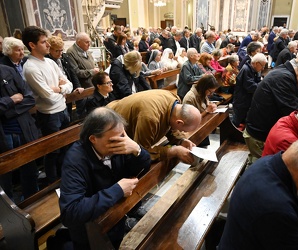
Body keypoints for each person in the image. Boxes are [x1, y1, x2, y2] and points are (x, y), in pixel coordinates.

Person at [59, 107, 151, 249]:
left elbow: (144, 167)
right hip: (90, 232)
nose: (121, 142)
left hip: (115, 216)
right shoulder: (75, 160)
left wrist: (137, 150)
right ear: (93, 139)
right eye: (114, 140)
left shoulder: (118, 146)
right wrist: (117, 190)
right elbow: (71, 212)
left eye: (123, 136)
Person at [244, 55, 298, 163]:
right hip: (259, 136)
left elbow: (297, 103)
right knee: (260, 167)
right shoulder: (283, 78)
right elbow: (294, 113)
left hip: (262, 132)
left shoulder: (287, 73)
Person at [22, 26, 73, 183]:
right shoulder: (30, 68)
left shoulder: (50, 62)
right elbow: (48, 97)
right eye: (44, 42)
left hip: (63, 109)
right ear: (32, 45)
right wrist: (60, 89)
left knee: (68, 146)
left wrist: (59, 88)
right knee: (53, 151)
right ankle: (52, 182)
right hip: (49, 114)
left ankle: (67, 177)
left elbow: (69, 85)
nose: (48, 45)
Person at [107, 90, 201, 163]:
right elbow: (139, 151)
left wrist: (181, 140)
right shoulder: (150, 118)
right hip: (108, 126)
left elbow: (170, 125)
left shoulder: (175, 101)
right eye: (184, 131)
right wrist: (173, 151)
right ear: (179, 123)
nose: (183, 132)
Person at [0, 64, 39, 200]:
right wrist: (10, 100)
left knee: (30, 170)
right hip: (3, 136)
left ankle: (31, 200)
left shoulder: (8, 70)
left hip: (24, 129)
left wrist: (6, 112)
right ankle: (8, 212)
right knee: (5, 177)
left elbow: (30, 99)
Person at [46, 36, 83, 119]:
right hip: (57, 95)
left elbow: (72, 72)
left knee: (69, 116)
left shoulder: (65, 57)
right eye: (57, 51)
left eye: (61, 50)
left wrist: (77, 86)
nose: (60, 53)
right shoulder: (47, 60)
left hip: (67, 89)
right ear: (50, 49)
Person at [66, 32, 99, 117]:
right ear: (79, 42)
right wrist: (92, 71)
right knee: (83, 115)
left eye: (89, 42)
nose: (89, 44)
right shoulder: (71, 52)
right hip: (82, 89)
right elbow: (76, 72)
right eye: (86, 42)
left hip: (92, 86)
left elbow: (93, 64)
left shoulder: (86, 51)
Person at [232, 53, 267, 128]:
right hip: (242, 101)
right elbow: (251, 87)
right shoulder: (246, 70)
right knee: (236, 122)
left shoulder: (252, 69)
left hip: (246, 100)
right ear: (256, 63)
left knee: (244, 120)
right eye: (262, 65)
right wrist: (262, 84)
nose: (263, 68)